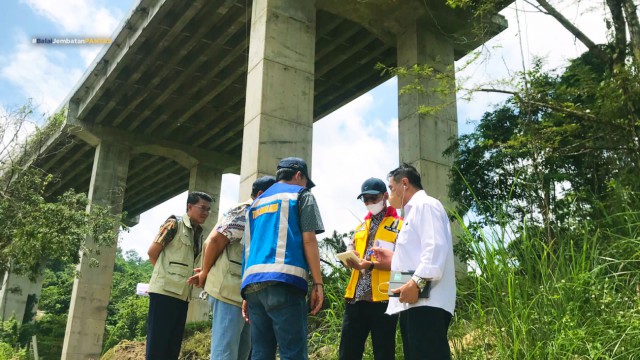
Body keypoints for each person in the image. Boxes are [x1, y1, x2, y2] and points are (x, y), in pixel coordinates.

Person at [241, 157, 325, 360]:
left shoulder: (255, 203)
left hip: (252, 286)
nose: (305, 186)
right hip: (284, 281)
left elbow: (248, 248)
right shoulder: (301, 195)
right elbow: (309, 240)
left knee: (261, 352)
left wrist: (246, 293)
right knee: (292, 352)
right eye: (305, 181)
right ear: (298, 176)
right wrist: (318, 283)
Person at [371, 163, 456, 360]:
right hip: (414, 301)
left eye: (391, 188)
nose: (388, 194)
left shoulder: (425, 205)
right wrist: (393, 259)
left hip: (427, 301)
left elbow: (435, 248)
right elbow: (418, 256)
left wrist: (417, 282)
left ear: (405, 183)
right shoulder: (412, 212)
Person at [187, 176, 276, 360]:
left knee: (242, 353)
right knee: (225, 352)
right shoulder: (245, 211)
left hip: (245, 295)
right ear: (260, 194)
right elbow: (214, 241)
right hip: (228, 292)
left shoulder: (262, 216)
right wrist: (204, 273)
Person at [339, 178, 403, 360]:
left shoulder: (400, 224)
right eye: (365, 200)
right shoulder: (360, 227)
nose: (369, 203)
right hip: (355, 298)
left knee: (384, 352)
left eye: (373, 199)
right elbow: (351, 247)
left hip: (384, 298)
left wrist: (372, 264)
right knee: (347, 353)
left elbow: (405, 262)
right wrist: (349, 256)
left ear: (385, 196)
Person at [145, 191, 213, 360]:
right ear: (190, 207)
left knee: (172, 345)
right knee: (157, 344)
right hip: (164, 292)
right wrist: (167, 276)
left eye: (208, 210)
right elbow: (153, 252)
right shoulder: (174, 223)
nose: (205, 213)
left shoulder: (199, 233)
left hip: (183, 295)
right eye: (202, 208)